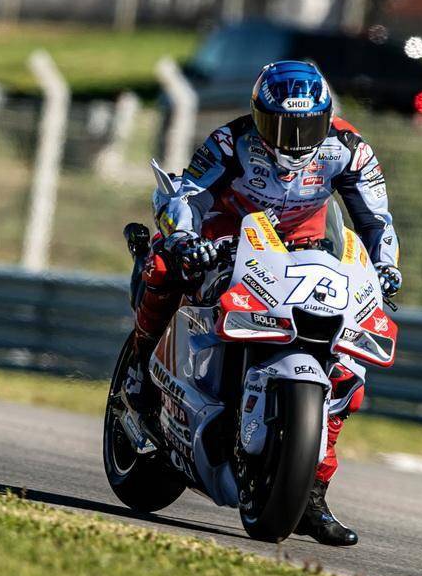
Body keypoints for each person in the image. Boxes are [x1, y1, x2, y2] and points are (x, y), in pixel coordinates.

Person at [126, 60, 402, 546]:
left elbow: (376, 219)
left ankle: (311, 493)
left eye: (305, 126)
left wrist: (385, 267)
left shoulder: (349, 148)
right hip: (227, 237)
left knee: (347, 365)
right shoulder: (230, 141)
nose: (293, 139)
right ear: (258, 118)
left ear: (325, 119)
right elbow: (188, 193)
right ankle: (139, 363)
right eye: (280, 125)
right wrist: (187, 237)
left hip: (306, 251)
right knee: (167, 263)